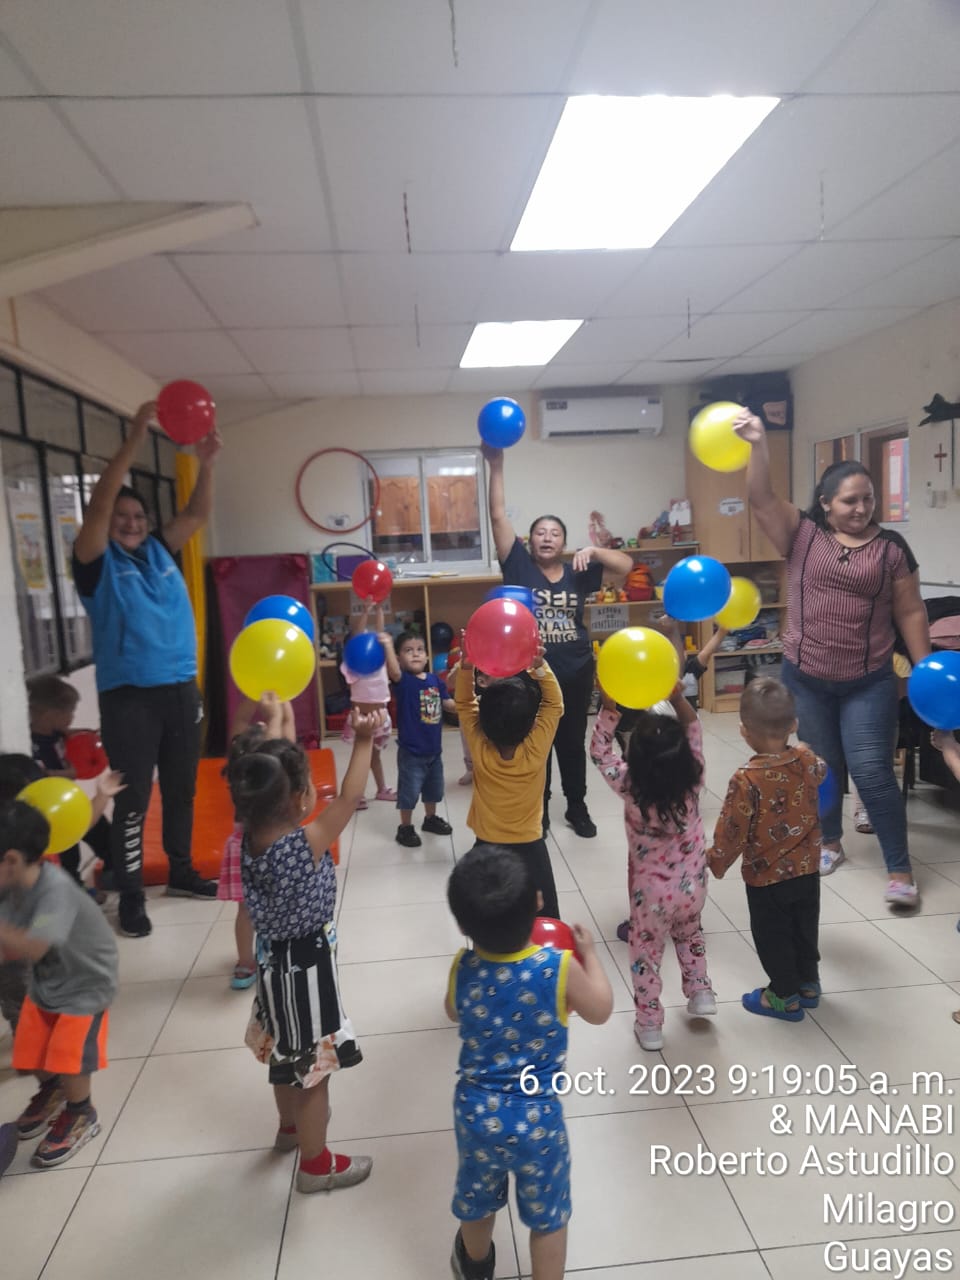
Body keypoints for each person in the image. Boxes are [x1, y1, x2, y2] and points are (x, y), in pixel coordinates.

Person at [734, 412, 930, 907]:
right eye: (850, 500)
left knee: (872, 772)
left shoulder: (891, 549)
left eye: (868, 499)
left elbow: (910, 610)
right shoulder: (800, 534)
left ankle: (900, 869)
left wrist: (926, 668)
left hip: (867, 680)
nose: (861, 508)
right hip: (806, 678)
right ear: (825, 503)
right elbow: (761, 497)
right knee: (817, 767)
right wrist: (758, 445)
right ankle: (829, 843)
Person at [72, 400, 223, 939]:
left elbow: (197, 516)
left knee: (182, 789)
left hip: (179, 689)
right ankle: (132, 895)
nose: (132, 523)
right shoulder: (94, 562)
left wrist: (206, 463)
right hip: (129, 697)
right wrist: (135, 438)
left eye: (138, 517)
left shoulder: (159, 550)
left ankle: (181, 871)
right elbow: (99, 507)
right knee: (133, 799)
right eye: (123, 517)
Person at [227, 707, 384, 1194]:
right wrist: (363, 741)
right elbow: (351, 797)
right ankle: (316, 1165)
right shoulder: (302, 846)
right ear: (299, 800)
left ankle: (289, 1129)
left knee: (284, 1053)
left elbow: (265, 771)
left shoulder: (246, 840)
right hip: (307, 970)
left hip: (273, 962)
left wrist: (275, 726)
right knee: (314, 1071)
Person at [445, 845, 613, 1280]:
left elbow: (452, 1011)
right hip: (538, 1120)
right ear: (538, 903)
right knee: (548, 1217)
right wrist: (591, 954)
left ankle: (475, 1266)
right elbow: (600, 1009)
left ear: (462, 925)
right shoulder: (558, 968)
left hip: (476, 1114)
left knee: (478, 1201)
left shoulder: (463, 967)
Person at [484, 444, 633, 838]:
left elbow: (626, 566)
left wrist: (595, 550)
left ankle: (577, 808)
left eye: (555, 534)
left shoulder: (578, 571)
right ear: (529, 540)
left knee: (570, 742)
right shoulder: (517, 565)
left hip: (576, 671)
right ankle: (540, 809)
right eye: (540, 533)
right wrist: (496, 464)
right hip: (529, 673)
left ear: (564, 542)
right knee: (537, 743)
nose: (547, 538)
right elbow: (497, 515)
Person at [590, 679, 715, 1051]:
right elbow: (694, 728)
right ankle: (700, 991)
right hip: (694, 886)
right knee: (690, 935)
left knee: (645, 954)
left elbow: (600, 752)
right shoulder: (694, 777)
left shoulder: (631, 784)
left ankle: (649, 1025)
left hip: (652, 896)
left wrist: (608, 706)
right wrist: (678, 698)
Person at [0, 798, 120, 1167]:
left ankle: (82, 1113)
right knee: (32, 1044)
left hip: (85, 983)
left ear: (11, 860)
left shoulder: (55, 890)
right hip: (49, 978)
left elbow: (35, 945)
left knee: (70, 1055)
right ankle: (53, 1091)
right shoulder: (11, 886)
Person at [708, 678, 826, 1021]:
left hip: (767, 876)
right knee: (805, 927)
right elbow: (822, 770)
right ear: (793, 724)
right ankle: (808, 984)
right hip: (808, 868)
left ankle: (784, 996)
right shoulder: (806, 759)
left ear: (744, 732)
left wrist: (715, 860)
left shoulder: (746, 779)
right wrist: (804, 750)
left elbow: (733, 829)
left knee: (773, 935)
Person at [455, 641, 562, 918]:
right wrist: (540, 668)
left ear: (483, 721)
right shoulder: (536, 749)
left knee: (488, 913)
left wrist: (467, 666)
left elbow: (464, 703)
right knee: (546, 915)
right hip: (531, 845)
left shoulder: (479, 746)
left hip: (486, 843)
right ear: (531, 724)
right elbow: (554, 704)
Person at [218, 693, 295, 991]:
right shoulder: (276, 769)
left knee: (245, 911)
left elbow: (239, 720)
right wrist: (282, 700)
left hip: (243, 848)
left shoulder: (240, 770)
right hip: (273, 847)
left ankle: (245, 962)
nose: (261, 723)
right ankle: (276, 952)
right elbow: (285, 726)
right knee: (281, 905)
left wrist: (253, 693)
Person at [27, 675, 112, 896]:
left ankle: (115, 870)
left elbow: (71, 734)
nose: (72, 718)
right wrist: (72, 773)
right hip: (53, 810)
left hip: (69, 801)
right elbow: (43, 776)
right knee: (68, 852)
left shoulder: (56, 733)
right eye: (69, 713)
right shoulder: (33, 744)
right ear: (49, 715)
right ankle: (75, 891)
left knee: (103, 832)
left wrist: (85, 735)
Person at [384, 631, 455, 848]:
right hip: (411, 752)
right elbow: (394, 671)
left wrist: (468, 704)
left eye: (420, 650)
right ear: (399, 658)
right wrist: (388, 645)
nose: (415, 654)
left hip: (434, 751)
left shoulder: (435, 680)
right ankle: (405, 827)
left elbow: (448, 704)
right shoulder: (404, 681)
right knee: (409, 792)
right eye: (408, 650)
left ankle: (430, 818)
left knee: (434, 790)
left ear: (427, 656)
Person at [341, 602, 396, 809]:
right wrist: (365, 612)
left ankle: (381, 789)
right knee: (361, 758)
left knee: (375, 757)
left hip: (380, 719)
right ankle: (358, 794)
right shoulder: (351, 668)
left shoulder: (379, 662)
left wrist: (379, 610)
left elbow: (380, 634)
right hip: (360, 721)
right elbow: (356, 635)